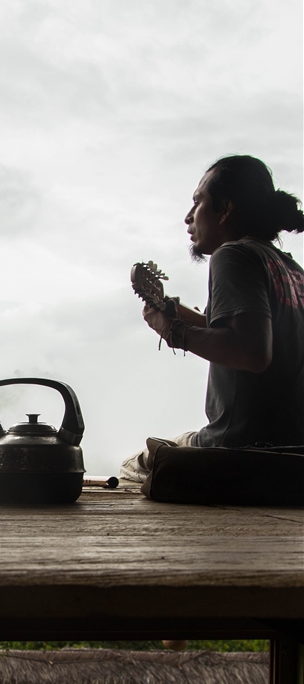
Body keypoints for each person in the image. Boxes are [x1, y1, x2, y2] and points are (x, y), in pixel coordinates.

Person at [121, 154, 304, 483]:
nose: (188, 217)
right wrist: (175, 312)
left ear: (226, 208)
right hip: (294, 450)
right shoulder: (292, 271)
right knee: (178, 441)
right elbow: (251, 333)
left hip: (238, 449)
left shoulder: (232, 254)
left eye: (198, 202)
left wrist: (174, 330)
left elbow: (251, 351)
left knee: (134, 464)